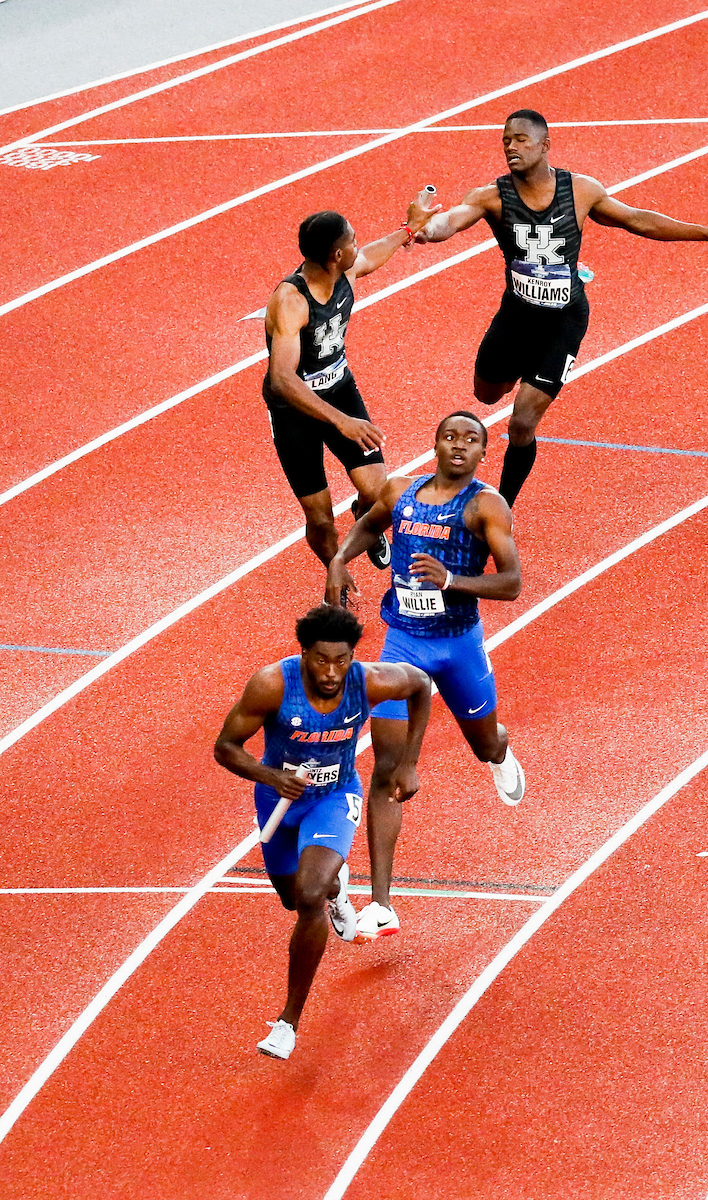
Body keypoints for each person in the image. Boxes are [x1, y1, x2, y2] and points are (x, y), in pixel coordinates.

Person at [414, 109, 708, 507]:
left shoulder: (580, 190)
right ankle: (525, 372)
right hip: (517, 316)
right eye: (506, 140)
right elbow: (448, 223)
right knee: (487, 395)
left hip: (563, 321)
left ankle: (500, 509)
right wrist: (423, 227)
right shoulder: (492, 196)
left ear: (545, 145)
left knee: (522, 422)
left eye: (520, 139)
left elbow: (638, 220)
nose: (510, 147)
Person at [326, 411, 524, 941]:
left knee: (483, 743)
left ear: (484, 454)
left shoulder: (486, 506)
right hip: (403, 644)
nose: (459, 445)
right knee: (387, 769)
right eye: (450, 436)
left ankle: (500, 754)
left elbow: (511, 584)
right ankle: (382, 903)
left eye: (471, 440)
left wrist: (453, 580)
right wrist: (341, 558)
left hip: (458, 645)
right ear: (434, 444)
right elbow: (369, 523)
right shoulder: (401, 493)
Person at [214, 604, 430, 1060]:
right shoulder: (272, 684)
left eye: (341, 660)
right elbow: (226, 747)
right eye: (320, 660)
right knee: (295, 897)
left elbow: (421, 686)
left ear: (353, 655)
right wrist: (271, 777)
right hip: (278, 799)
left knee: (307, 897)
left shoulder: (370, 680)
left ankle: (287, 1023)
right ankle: (335, 886)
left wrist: (409, 761)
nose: (331, 672)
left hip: (335, 798)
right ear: (303, 653)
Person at [263, 191, 441, 583]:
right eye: (351, 242)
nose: (357, 246)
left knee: (379, 496)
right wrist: (341, 422)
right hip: (294, 411)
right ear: (335, 256)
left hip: (339, 389)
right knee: (321, 518)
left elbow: (372, 256)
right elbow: (282, 378)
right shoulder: (291, 302)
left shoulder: (344, 269)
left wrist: (409, 229)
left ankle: (362, 516)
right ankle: (337, 572)